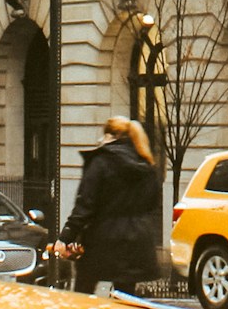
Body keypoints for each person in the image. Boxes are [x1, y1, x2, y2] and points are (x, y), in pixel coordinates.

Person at [56, 116, 160, 295]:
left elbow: (85, 204)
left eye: (104, 135)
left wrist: (66, 237)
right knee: (126, 299)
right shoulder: (146, 164)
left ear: (112, 136)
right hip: (136, 240)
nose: (100, 140)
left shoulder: (101, 162)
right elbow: (153, 203)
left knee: (83, 292)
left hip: (103, 239)